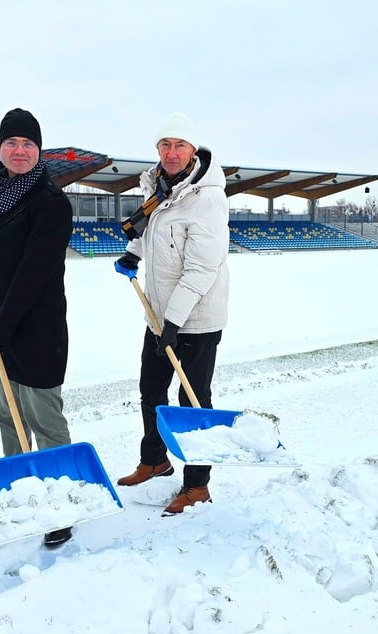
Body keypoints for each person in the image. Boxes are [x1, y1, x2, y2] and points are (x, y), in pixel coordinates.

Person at [0, 107, 75, 547]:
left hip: (37, 329)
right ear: (0, 148)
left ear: (39, 150)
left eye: (27, 144)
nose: (19, 151)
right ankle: (23, 488)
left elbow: (32, 275)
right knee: (8, 415)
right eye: (11, 143)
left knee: (44, 420)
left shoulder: (52, 202)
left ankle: (62, 502)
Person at [114, 112, 231, 516]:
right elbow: (154, 234)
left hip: (196, 320)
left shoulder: (207, 199)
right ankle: (155, 460)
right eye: (165, 145)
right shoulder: (160, 188)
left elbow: (201, 269)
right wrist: (132, 254)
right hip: (160, 316)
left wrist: (175, 322)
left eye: (179, 145)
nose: (171, 152)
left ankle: (197, 485)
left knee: (192, 401)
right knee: (150, 390)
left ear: (193, 150)